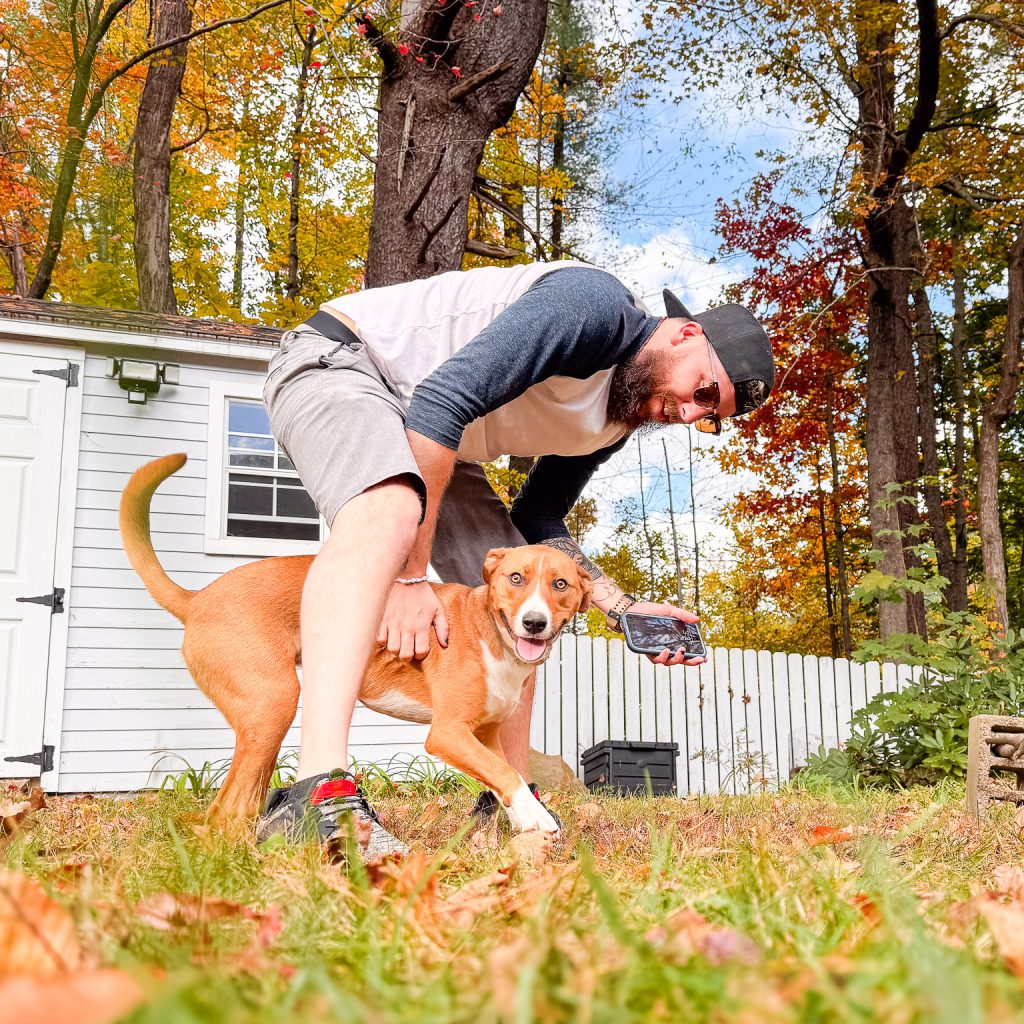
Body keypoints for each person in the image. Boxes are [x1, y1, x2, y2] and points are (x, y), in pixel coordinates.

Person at [259, 261, 774, 854]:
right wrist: (408, 578)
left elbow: (538, 524)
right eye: (704, 392)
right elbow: (441, 401)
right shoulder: (593, 307)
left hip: (433, 435)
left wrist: (621, 606)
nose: (689, 414)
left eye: (709, 419)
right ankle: (318, 789)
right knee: (393, 511)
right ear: (687, 335)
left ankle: (508, 795)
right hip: (345, 365)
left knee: (510, 593)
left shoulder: (613, 421)